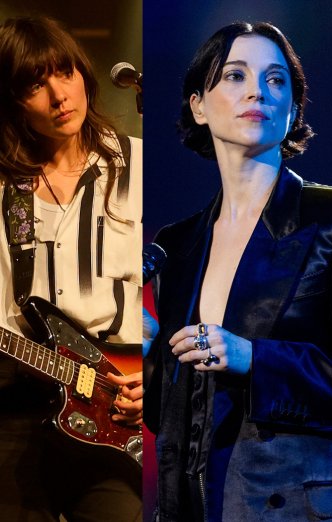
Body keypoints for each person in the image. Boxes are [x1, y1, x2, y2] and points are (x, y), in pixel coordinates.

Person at [142, 22, 332, 521]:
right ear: (197, 105)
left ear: (294, 108)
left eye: (277, 81)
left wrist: (255, 358)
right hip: (190, 503)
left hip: (291, 501)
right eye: (235, 76)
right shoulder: (177, 244)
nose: (258, 90)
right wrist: (148, 354)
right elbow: (164, 414)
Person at [0, 16, 143, 522]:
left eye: (65, 73)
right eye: (35, 84)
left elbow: (193, 286)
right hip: (17, 409)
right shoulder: (4, 191)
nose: (59, 95)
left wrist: (160, 373)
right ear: (12, 101)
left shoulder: (140, 167)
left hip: (120, 402)